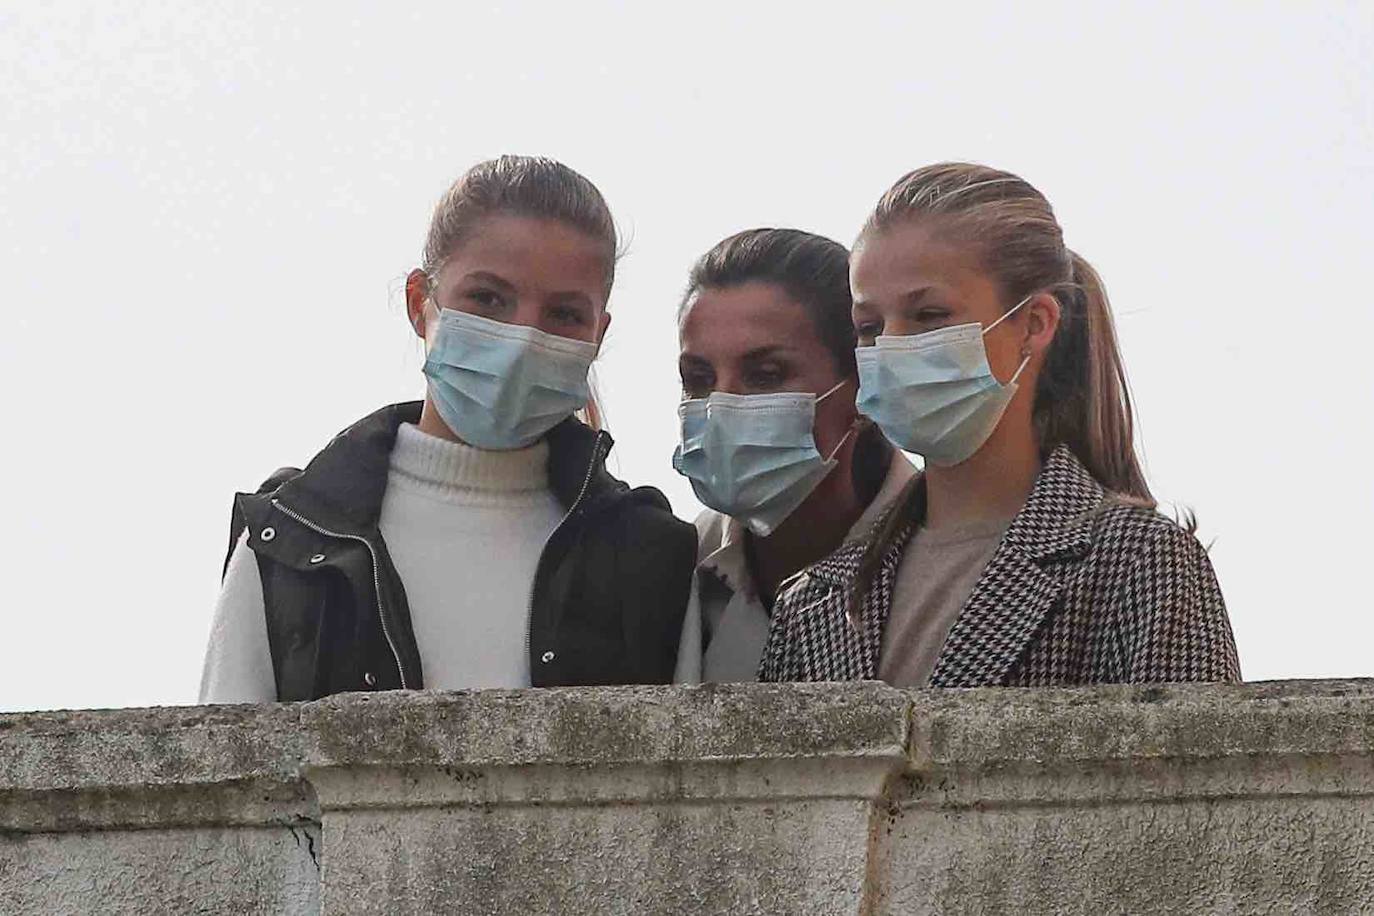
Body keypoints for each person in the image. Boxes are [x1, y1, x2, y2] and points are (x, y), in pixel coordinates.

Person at [200, 155, 696, 703]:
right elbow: (228, 778)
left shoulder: (651, 555)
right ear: (420, 303)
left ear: (597, 334)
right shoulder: (289, 540)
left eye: (563, 315)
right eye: (487, 299)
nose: (523, 338)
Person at [759, 163, 1240, 686]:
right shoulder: (813, 601)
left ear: (1034, 324)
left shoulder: (1142, 564)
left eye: (929, 316)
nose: (891, 347)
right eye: (869, 326)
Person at [672, 229, 917, 683]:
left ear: (863, 386)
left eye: (765, 375)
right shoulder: (676, 565)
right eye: (699, 378)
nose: (721, 406)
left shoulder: (941, 554)